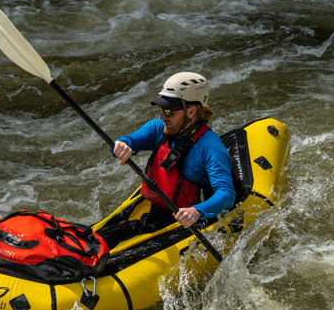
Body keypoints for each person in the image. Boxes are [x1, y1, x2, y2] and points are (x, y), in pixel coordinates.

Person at [100, 72, 236, 247]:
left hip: (190, 222)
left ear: (192, 111)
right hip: (156, 214)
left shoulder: (210, 147)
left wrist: (196, 211)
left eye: (169, 111)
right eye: (162, 110)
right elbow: (125, 142)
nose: (163, 116)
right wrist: (121, 146)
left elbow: (226, 194)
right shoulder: (158, 129)